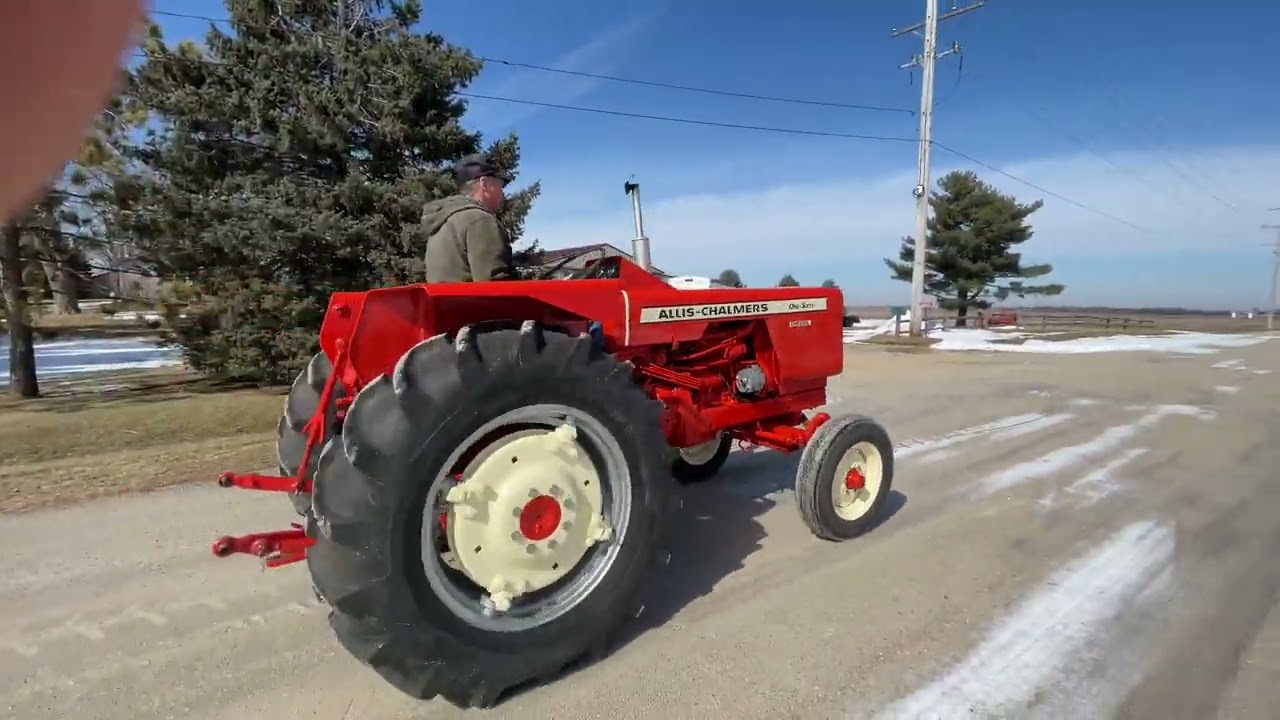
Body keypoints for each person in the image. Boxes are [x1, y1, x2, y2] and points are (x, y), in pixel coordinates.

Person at [422, 154, 515, 283]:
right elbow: (495, 286)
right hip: (472, 303)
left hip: (446, 303)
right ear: (484, 184)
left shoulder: (442, 221)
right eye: (500, 186)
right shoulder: (480, 220)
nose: (502, 193)